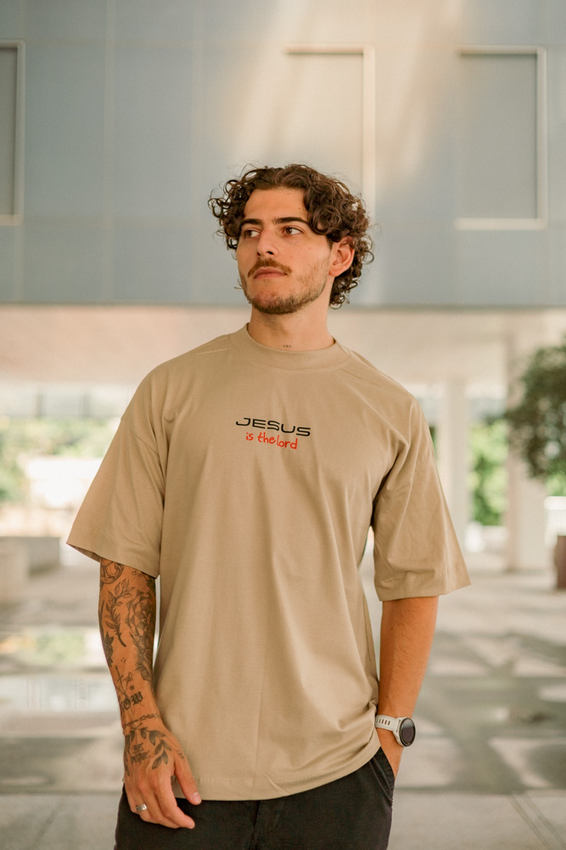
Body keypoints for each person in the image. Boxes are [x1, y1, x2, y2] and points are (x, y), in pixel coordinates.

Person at [68, 163, 470, 850]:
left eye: (291, 229)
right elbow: (125, 568)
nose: (265, 246)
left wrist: (387, 741)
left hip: (340, 774)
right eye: (250, 231)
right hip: (181, 772)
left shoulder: (390, 410)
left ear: (340, 254)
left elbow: (413, 584)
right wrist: (141, 729)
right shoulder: (171, 390)